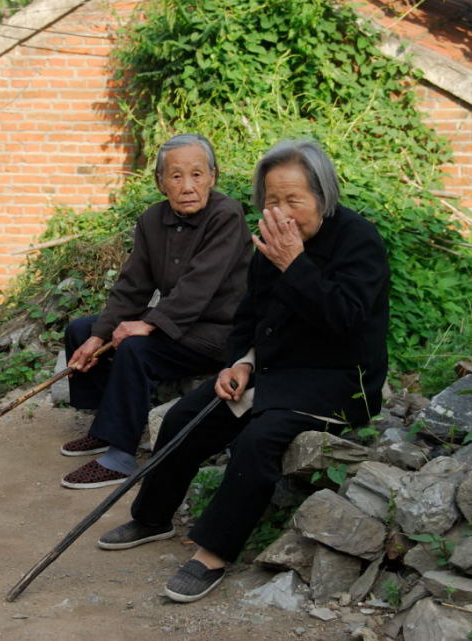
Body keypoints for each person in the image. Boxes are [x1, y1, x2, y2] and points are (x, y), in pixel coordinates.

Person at [96, 139, 391, 602]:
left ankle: (213, 553)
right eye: (273, 201)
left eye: (294, 199)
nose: (283, 212)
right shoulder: (271, 242)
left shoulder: (358, 241)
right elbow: (250, 316)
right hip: (272, 370)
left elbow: (345, 320)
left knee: (258, 441)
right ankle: (152, 517)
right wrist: (240, 363)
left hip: (336, 380)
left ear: (323, 194)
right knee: (182, 418)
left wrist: (294, 263)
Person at [60, 134, 253, 490]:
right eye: (176, 176)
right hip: (177, 324)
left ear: (213, 176)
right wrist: (99, 336)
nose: (188, 186)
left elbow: (199, 286)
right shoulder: (152, 220)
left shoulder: (226, 215)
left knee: (135, 348)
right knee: (81, 330)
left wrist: (147, 326)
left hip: (218, 332)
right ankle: (104, 426)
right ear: (160, 183)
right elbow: (133, 286)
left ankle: (120, 456)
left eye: (197, 174)